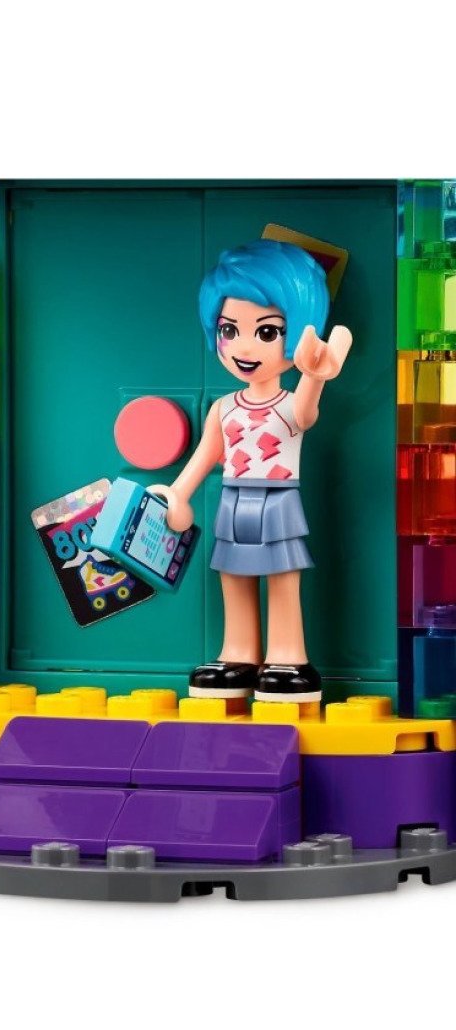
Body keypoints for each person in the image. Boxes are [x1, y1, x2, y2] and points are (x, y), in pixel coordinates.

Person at [153, 241, 353, 702]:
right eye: (229, 329)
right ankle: (239, 654)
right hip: (232, 499)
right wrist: (178, 495)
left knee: (282, 577)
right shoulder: (224, 408)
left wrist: (316, 374)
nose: (244, 347)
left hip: (278, 499)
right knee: (234, 575)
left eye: (267, 332)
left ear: (298, 335)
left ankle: (288, 656)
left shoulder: (290, 405)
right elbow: (204, 455)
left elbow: (306, 412)